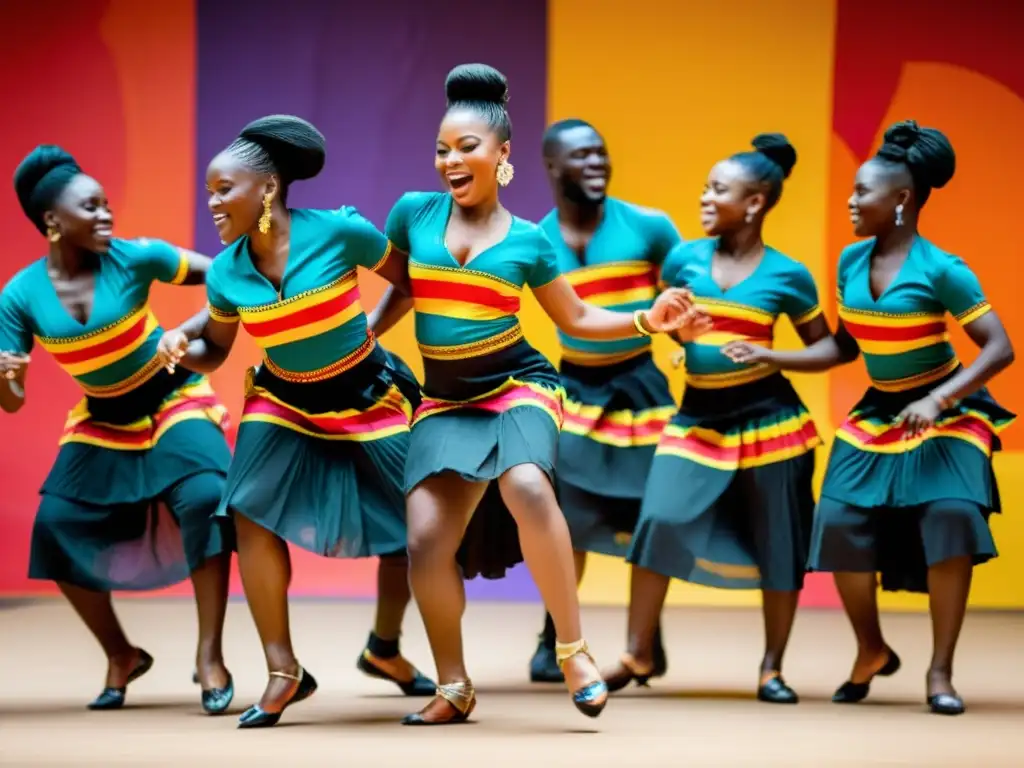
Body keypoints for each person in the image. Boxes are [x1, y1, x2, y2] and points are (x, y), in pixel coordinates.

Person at [368, 63, 699, 726]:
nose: (451, 160)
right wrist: (367, 337)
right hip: (445, 402)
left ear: (503, 156)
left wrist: (647, 320)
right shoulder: (412, 213)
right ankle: (455, 685)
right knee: (427, 541)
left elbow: (574, 319)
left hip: (521, 386)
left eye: (467, 148)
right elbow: (405, 286)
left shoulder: (530, 241)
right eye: (441, 149)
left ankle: (571, 648)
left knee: (525, 484)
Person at [731, 121, 1014, 715]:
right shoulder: (850, 261)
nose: (853, 202)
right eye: (853, 192)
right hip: (880, 413)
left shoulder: (943, 269)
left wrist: (938, 400)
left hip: (945, 409)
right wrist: (771, 354)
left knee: (952, 518)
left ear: (903, 200)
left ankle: (940, 673)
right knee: (835, 522)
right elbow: (843, 349)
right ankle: (871, 651)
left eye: (864, 193)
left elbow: (998, 348)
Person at [161, 115, 435, 729]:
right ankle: (283, 670)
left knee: (415, 526)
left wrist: (370, 330)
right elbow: (218, 349)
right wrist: (182, 345)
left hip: (368, 394)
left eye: (223, 189)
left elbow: (411, 280)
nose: (212, 203)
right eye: (209, 190)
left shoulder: (339, 231)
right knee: (247, 510)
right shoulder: (228, 271)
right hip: (282, 400)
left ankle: (384, 647)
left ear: (266, 189)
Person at [0, 145, 235, 714]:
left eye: (108, 204)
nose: (108, 215)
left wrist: (192, 329)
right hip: (103, 418)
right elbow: (11, 404)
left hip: (172, 398)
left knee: (206, 497)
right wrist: (6, 377)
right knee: (54, 527)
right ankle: (121, 654)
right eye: (92, 207)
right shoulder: (18, 296)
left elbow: (232, 274)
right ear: (53, 221)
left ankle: (209, 655)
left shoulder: (137, 257)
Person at [604, 135, 830, 704]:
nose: (704, 197)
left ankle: (772, 668)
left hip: (770, 422)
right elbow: (670, 323)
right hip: (696, 420)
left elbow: (831, 350)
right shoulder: (682, 260)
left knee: (781, 541)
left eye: (718, 190)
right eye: (705, 187)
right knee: (657, 519)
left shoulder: (789, 275)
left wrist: (772, 356)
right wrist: (680, 332)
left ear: (753, 204)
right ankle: (638, 651)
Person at [524, 118, 681, 684]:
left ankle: (645, 642)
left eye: (601, 153)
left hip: (642, 392)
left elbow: (689, 290)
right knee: (564, 521)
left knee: (650, 515)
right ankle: (554, 638)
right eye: (581, 156)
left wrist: (690, 331)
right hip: (575, 395)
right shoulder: (533, 240)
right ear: (550, 167)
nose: (596, 163)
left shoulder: (650, 227)